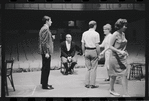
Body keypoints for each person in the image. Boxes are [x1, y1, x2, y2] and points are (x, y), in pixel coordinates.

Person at [100, 18, 129, 97]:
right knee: (113, 75)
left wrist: (125, 51)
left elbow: (123, 45)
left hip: (122, 58)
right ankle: (112, 89)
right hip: (115, 58)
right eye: (124, 25)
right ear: (120, 26)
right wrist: (120, 51)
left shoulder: (123, 34)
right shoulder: (115, 34)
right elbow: (110, 46)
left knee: (124, 75)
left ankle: (125, 94)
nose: (126, 27)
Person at [81, 20, 100, 88]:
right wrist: (99, 54)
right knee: (93, 69)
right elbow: (97, 45)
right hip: (93, 51)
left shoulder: (84, 33)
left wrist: (83, 52)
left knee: (87, 68)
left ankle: (86, 83)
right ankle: (92, 84)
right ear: (95, 25)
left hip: (86, 50)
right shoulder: (96, 34)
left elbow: (82, 44)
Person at [39, 16, 54, 90]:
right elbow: (44, 42)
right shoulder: (45, 29)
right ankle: (45, 85)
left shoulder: (45, 28)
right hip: (46, 52)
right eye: (50, 20)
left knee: (44, 67)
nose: (51, 22)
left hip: (46, 51)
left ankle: (44, 83)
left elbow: (45, 39)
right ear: (47, 21)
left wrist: (51, 37)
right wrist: (46, 52)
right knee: (46, 68)